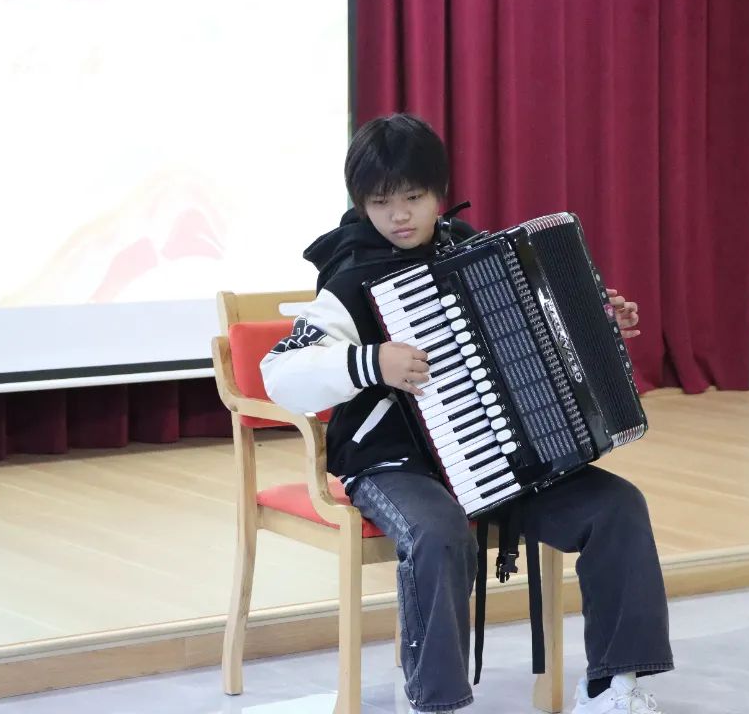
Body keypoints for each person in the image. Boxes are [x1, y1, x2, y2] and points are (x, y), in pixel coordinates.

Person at [261, 113, 673, 714]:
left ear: (439, 194)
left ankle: (612, 687)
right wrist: (370, 361)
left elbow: (538, 340)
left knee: (617, 507)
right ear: (360, 205)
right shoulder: (349, 283)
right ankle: (438, 703)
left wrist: (596, 321)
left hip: (498, 457)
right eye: (381, 202)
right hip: (394, 465)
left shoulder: (476, 253)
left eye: (413, 197)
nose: (399, 216)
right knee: (438, 530)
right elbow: (279, 374)